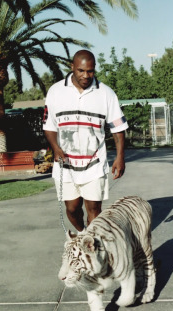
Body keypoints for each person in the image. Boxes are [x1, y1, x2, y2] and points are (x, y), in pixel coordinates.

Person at [43, 50, 128, 233]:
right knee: (72, 208)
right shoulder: (56, 91)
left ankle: (93, 246)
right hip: (65, 163)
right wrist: (56, 148)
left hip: (94, 162)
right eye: (81, 70)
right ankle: (83, 235)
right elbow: (49, 126)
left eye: (90, 71)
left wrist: (120, 157)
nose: (85, 75)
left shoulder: (106, 93)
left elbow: (118, 129)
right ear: (72, 67)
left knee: (94, 210)